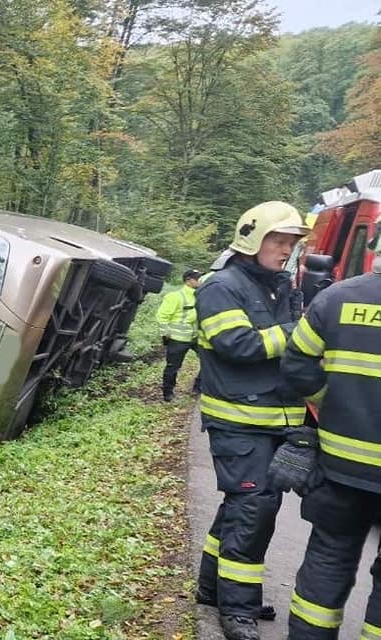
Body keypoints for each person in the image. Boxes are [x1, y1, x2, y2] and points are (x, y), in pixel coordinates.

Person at [193, 201, 311, 640]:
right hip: (238, 421)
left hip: (271, 421)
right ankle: (238, 610)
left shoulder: (280, 286)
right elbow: (236, 344)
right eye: (279, 241)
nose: (287, 251)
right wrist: (302, 331)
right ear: (252, 239)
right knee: (253, 509)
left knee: (241, 506)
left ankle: (212, 589)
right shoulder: (221, 286)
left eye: (292, 243)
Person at [278, 229, 381, 639]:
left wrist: (332, 404)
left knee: (328, 559)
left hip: (340, 467)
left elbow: (296, 364)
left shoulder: (337, 298)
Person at [158, 268, 203, 400]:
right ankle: (168, 393)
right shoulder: (175, 296)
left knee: (209, 361)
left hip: (195, 337)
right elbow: (162, 316)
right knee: (173, 367)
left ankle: (198, 387)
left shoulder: (200, 295)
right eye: (197, 278)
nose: (200, 281)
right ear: (188, 281)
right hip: (178, 339)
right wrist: (165, 334)